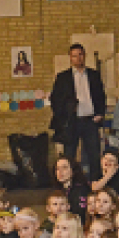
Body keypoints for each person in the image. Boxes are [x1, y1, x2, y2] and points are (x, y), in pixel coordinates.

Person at [49, 43, 106, 181]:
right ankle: (69, 183)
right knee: (69, 155)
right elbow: (55, 99)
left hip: (90, 120)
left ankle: (95, 184)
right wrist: (63, 117)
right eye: (74, 56)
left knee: (94, 154)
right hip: (72, 122)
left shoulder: (93, 75)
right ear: (70, 58)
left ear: (84, 56)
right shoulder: (63, 77)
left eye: (80, 55)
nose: (78, 58)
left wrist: (100, 113)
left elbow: (101, 95)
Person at [54, 156, 92, 223]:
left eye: (64, 168)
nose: (60, 172)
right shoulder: (58, 190)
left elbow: (80, 216)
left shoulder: (82, 189)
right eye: (57, 169)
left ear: (73, 170)